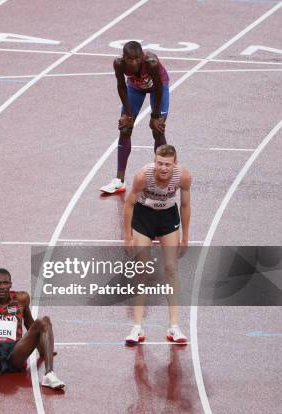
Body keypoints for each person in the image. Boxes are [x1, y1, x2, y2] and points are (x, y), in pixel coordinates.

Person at [123, 144, 191, 344]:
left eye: (167, 165)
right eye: (160, 163)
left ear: (174, 164)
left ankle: (174, 326)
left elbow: (186, 206)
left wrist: (185, 237)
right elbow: (128, 204)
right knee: (141, 269)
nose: (163, 168)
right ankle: (137, 327)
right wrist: (127, 236)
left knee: (171, 268)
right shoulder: (143, 177)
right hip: (144, 216)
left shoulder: (183, 177)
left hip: (168, 217)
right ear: (155, 162)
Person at [101, 41, 170, 194]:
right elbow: (121, 86)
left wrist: (155, 116)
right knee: (125, 128)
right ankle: (119, 181)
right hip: (135, 88)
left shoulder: (151, 62)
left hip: (157, 88)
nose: (134, 63)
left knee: (157, 129)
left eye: (137, 59)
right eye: (130, 59)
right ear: (124, 58)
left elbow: (158, 88)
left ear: (142, 57)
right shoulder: (118, 64)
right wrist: (128, 114)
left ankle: (164, 179)